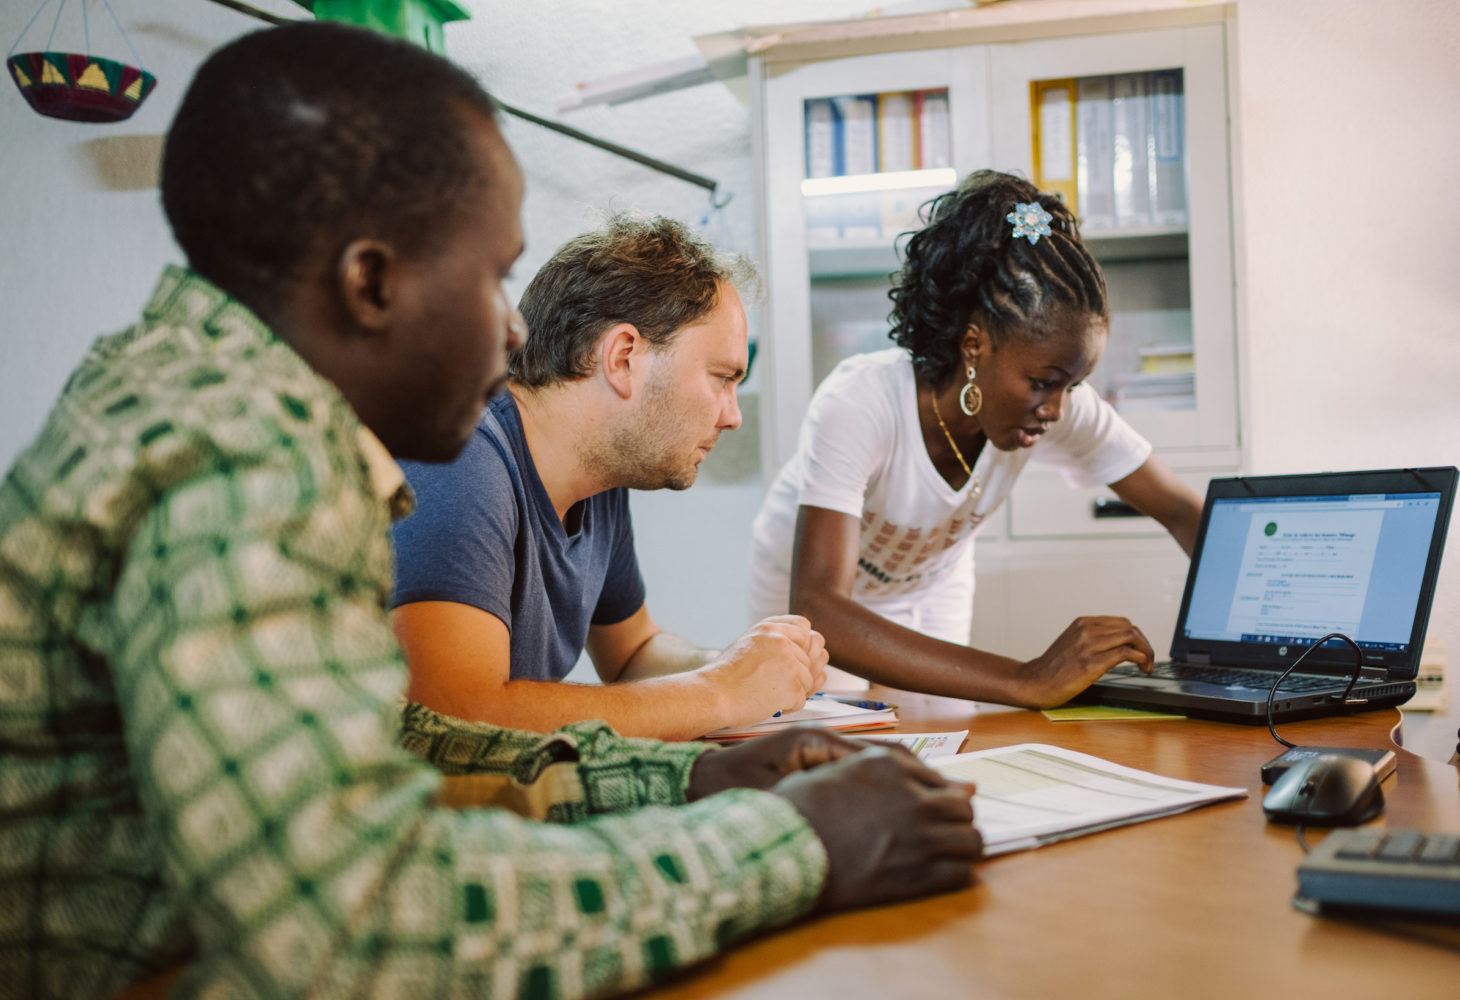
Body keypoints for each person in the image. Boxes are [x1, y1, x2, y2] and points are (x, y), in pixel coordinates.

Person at [0, 23, 982, 1000]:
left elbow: (397, 749)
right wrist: (791, 841)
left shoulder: (202, 399)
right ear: (371, 280)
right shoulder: (238, 457)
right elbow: (358, 926)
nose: (516, 327)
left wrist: (684, 781)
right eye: (491, 273)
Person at [748, 170, 1204, 709]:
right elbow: (820, 609)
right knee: (824, 743)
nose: (1056, 409)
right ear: (973, 346)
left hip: (929, 586)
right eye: (1041, 383)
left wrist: (1270, 641)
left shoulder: (1056, 403)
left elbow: (1184, 513)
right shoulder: (861, 400)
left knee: (940, 739)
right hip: (811, 595)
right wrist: (1025, 678)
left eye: (1072, 385)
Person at [391, 216, 828, 741]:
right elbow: (458, 718)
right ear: (623, 358)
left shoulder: (599, 482)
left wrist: (741, 666)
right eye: (722, 378)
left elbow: (633, 654)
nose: (732, 415)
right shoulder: (459, 459)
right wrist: (722, 690)